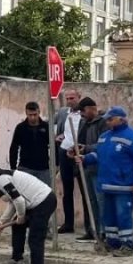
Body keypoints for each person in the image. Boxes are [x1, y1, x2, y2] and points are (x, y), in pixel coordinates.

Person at [76, 106, 133, 257]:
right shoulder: (104, 137)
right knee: (108, 217)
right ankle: (112, 243)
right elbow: (99, 157)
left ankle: (127, 245)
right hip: (106, 185)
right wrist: (84, 159)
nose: (108, 122)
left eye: (110, 119)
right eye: (107, 120)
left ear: (121, 119)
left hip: (124, 186)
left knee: (123, 216)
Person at [71, 97, 108, 245]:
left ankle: (103, 232)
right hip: (85, 166)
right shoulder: (84, 122)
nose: (82, 114)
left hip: (99, 168)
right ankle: (93, 231)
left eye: (84, 111)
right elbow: (81, 142)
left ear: (92, 109)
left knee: (101, 201)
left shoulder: (103, 124)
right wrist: (75, 150)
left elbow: (102, 145)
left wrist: (86, 149)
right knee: (91, 201)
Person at [53, 90, 83, 233]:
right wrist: (57, 136)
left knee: (85, 189)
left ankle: (90, 226)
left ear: (79, 98)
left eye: (72, 98)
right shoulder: (64, 113)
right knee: (67, 190)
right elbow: (52, 124)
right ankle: (68, 223)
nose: (70, 100)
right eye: (68, 98)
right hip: (65, 152)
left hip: (80, 153)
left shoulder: (84, 115)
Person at [8, 101, 51, 185]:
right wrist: (13, 168)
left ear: (39, 112)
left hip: (43, 169)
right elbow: (14, 147)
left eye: (35, 114)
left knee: (46, 195)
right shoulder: (20, 128)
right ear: (26, 113)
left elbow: (53, 145)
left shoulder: (46, 127)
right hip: (25, 168)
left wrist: (56, 164)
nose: (32, 117)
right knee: (25, 195)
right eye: (30, 115)